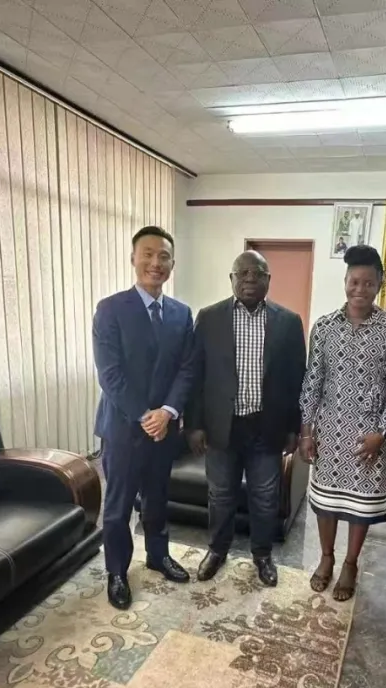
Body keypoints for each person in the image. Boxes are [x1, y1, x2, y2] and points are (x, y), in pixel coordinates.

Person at [186, 251, 306, 586]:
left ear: (269, 279)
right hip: (222, 427)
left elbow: (298, 379)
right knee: (220, 494)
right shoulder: (209, 318)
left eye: (258, 273)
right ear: (232, 278)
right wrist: (194, 424)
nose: (250, 278)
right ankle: (217, 550)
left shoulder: (288, 322)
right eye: (243, 273)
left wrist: (293, 428)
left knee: (265, 497)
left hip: (266, 427)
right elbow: (196, 375)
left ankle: (263, 555)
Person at [93, 225, 195, 609]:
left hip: (164, 429)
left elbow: (187, 369)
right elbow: (110, 374)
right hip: (122, 427)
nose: (156, 263)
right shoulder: (110, 309)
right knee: (117, 505)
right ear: (133, 259)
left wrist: (167, 412)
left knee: (157, 497)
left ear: (172, 264)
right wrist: (144, 414)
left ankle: (158, 555)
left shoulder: (181, 314)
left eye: (163, 256)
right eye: (148, 254)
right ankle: (117, 571)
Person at [300, 246, 386, 601]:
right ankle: (326, 557)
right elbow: (312, 381)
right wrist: (306, 430)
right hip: (329, 429)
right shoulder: (324, 327)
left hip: (370, 435)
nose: (360, 289)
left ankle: (350, 563)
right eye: (354, 282)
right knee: (326, 501)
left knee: (361, 507)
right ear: (345, 281)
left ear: (379, 285)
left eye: (368, 283)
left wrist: (382, 432)